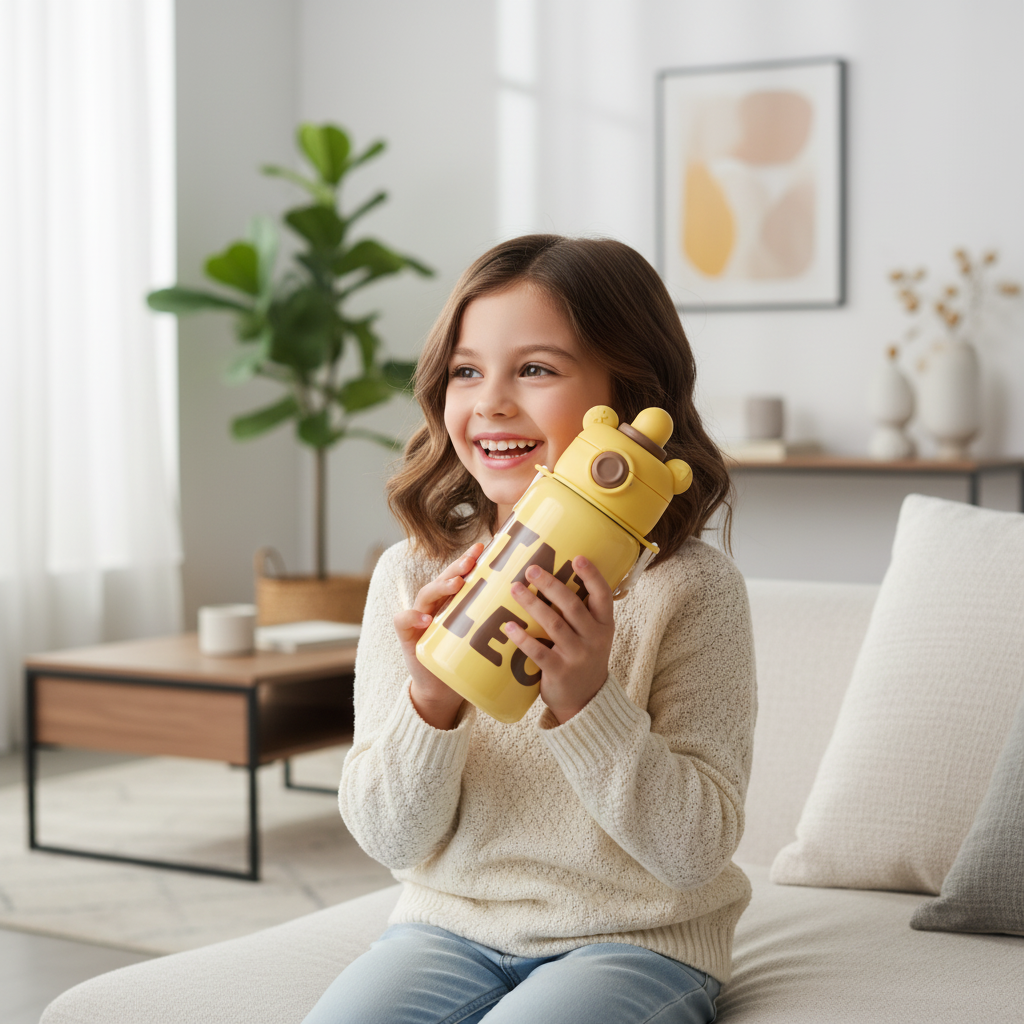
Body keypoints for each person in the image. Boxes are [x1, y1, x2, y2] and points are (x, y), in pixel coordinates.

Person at [301, 235, 757, 1024]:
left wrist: (587, 704)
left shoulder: (692, 590)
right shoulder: (412, 578)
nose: (491, 403)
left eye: (536, 369)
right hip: (445, 930)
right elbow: (390, 839)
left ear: (631, 389)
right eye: (466, 371)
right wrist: (430, 702)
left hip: (637, 942)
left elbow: (694, 852)